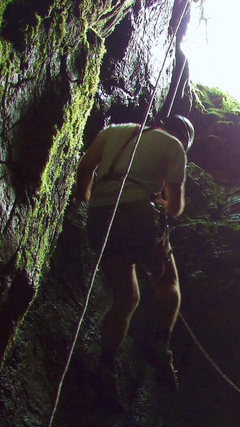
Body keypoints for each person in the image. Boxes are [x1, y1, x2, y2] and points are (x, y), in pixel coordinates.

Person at [74, 114, 194, 398]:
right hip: (139, 216)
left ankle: (106, 365)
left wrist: (88, 198)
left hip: (101, 219)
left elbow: (85, 168)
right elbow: (175, 207)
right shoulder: (174, 147)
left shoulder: (114, 131)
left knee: (126, 298)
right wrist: (161, 202)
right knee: (167, 284)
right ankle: (160, 341)